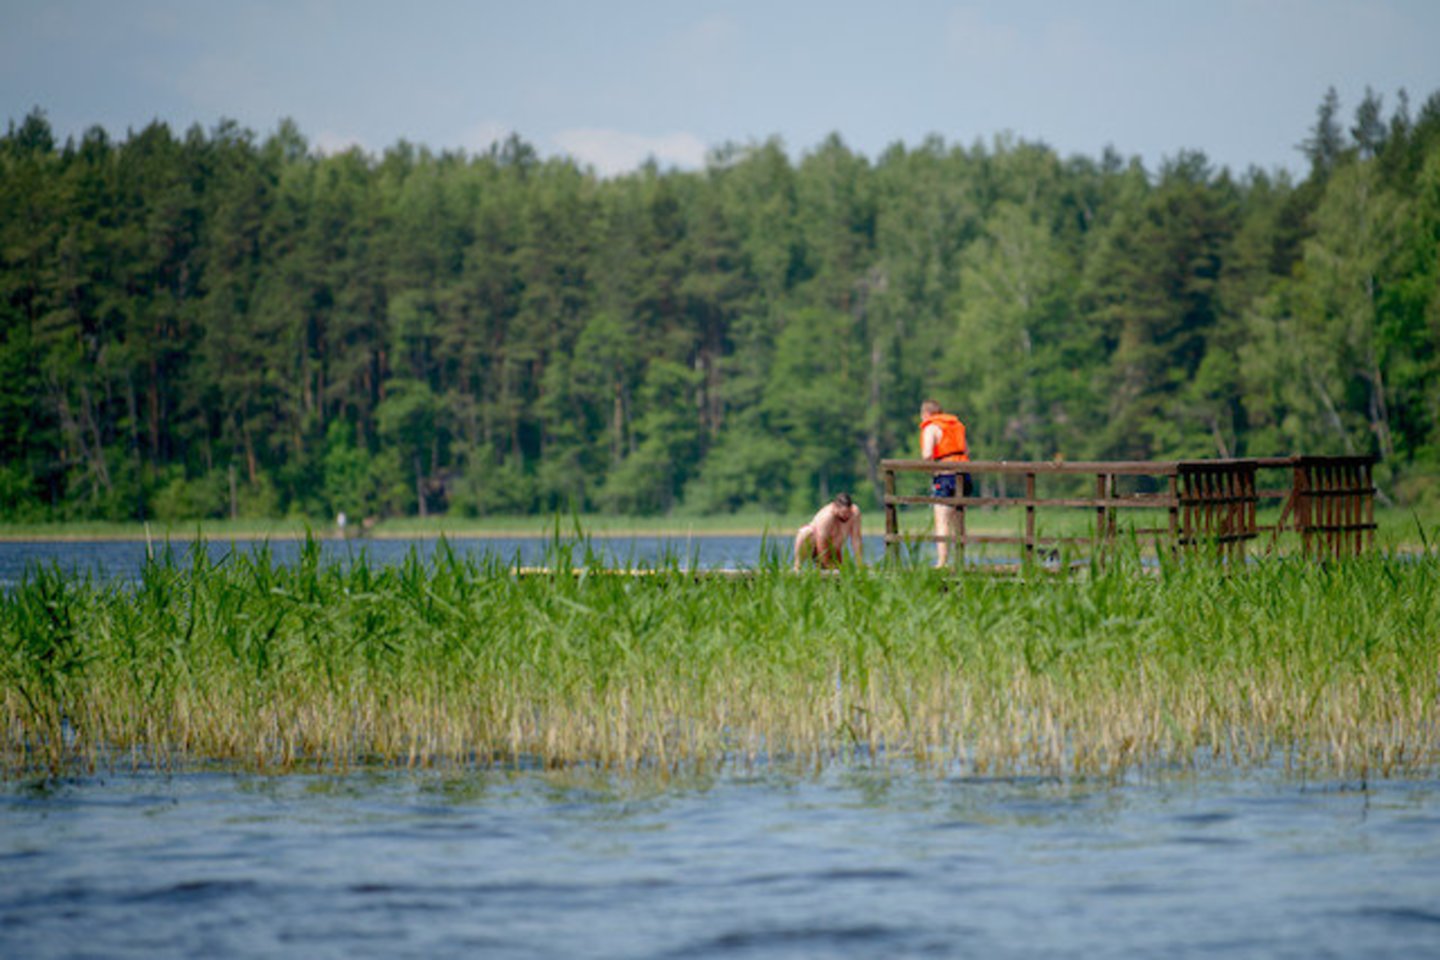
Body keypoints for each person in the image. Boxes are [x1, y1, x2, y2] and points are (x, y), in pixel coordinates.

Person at [919, 400, 970, 567]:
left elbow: (927, 454)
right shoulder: (956, 425)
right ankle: (960, 560)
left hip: (945, 476)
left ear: (926, 414)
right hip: (964, 474)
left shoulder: (931, 427)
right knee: (959, 521)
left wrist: (930, 468)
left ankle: (942, 562)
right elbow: (966, 450)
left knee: (942, 520)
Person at [793, 493, 864, 570]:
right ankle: (797, 567)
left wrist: (859, 564)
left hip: (834, 548)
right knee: (805, 532)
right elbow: (821, 542)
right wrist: (827, 565)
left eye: (848, 513)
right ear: (835, 507)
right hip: (815, 545)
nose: (846, 516)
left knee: (841, 570)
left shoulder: (854, 513)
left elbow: (856, 539)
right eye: (843, 513)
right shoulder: (827, 517)